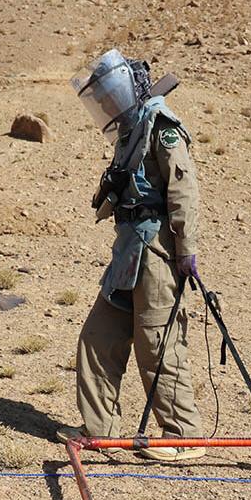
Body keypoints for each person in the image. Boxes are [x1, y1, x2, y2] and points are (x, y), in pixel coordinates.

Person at [68, 49, 204, 461]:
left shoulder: (162, 127)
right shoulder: (131, 132)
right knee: (98, 337)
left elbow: (183, 191)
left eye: (111, 96)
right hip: (128, 252)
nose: (108, 106)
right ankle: (99, 429)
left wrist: (186, 249)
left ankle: (184, 436)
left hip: (158, 252)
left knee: (157, 345)